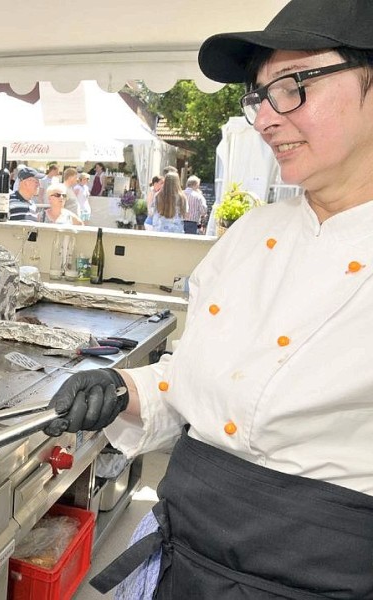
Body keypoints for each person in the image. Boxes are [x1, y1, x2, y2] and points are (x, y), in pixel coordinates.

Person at [44, 1, 373, 597]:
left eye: (294, 86)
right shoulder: (252, 233)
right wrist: (126, 390)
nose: (267, 119)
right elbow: (202, 388)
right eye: (259, 97)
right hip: (183, 548)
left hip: (319, 577)